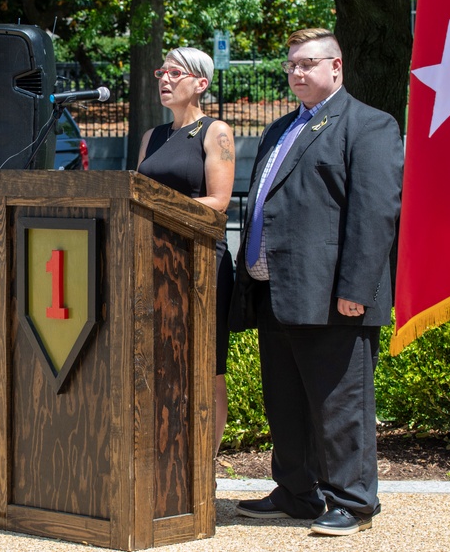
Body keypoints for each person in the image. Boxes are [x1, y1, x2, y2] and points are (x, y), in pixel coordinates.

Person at [231, 28, 403, 536]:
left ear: (337, 67)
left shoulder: (369, 126)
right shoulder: (280, 128)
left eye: (308, 63)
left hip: (333, 296)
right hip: (277, 291)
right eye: (291, 66)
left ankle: (353, 501)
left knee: (340, 405)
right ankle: (297, 493)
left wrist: (356, 288)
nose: (297, 73)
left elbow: (374, 216)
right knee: (284, 403)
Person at [136, 46, 236, 454]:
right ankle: (166, 456)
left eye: (175, 73)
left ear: (200, 83)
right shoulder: (152, 137)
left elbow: (219, 201)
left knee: (206, 368)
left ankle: (204, 466)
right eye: (162, 72)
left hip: (199, 262)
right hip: (151, 259)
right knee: (161, 364)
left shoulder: (216, 132)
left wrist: (158, 209)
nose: (164, 79)